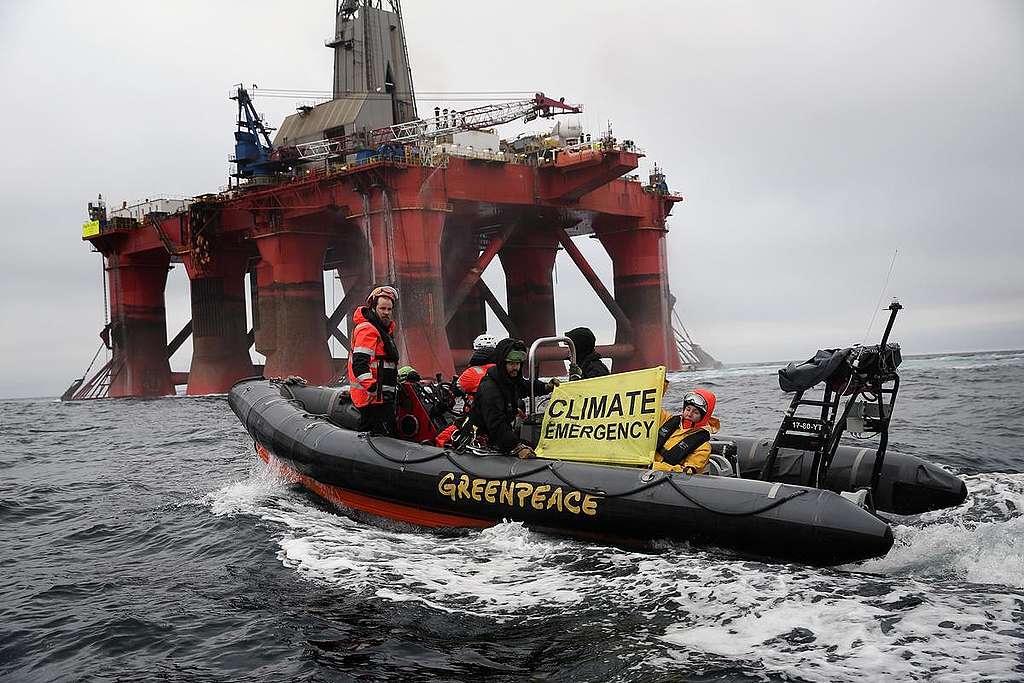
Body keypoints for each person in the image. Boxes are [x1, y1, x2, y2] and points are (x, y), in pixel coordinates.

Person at [468, 338, 558, 458]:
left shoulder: (510, 380)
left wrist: (546, 387)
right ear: (502, 363)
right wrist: (516, 447)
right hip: (484, 439)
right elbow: (496, 424)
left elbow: (525, 386)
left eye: (518, 363)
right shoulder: (490, 389)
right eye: (511, 363)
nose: (515, 367)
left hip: (500, 437)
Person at [347, 285, 400, 435]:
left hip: (382, 398)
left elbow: (385, 363)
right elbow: (360, 364)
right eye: (382, 309)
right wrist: (372, 388)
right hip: (373, 400)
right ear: (373, 308)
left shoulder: (383, 330)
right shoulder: (368, 329)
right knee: (380, 436)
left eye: (389, 310)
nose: (386, 313)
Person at [653, 387, 720, 474]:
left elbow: (687, 472)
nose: (689, 414)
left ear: (704, 417)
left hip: (661, 477)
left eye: (695, 412)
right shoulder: (667, 419)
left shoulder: (703, 447)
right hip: (640, 465)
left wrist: (655, 466)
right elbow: (653, 401)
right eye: (688, 409)